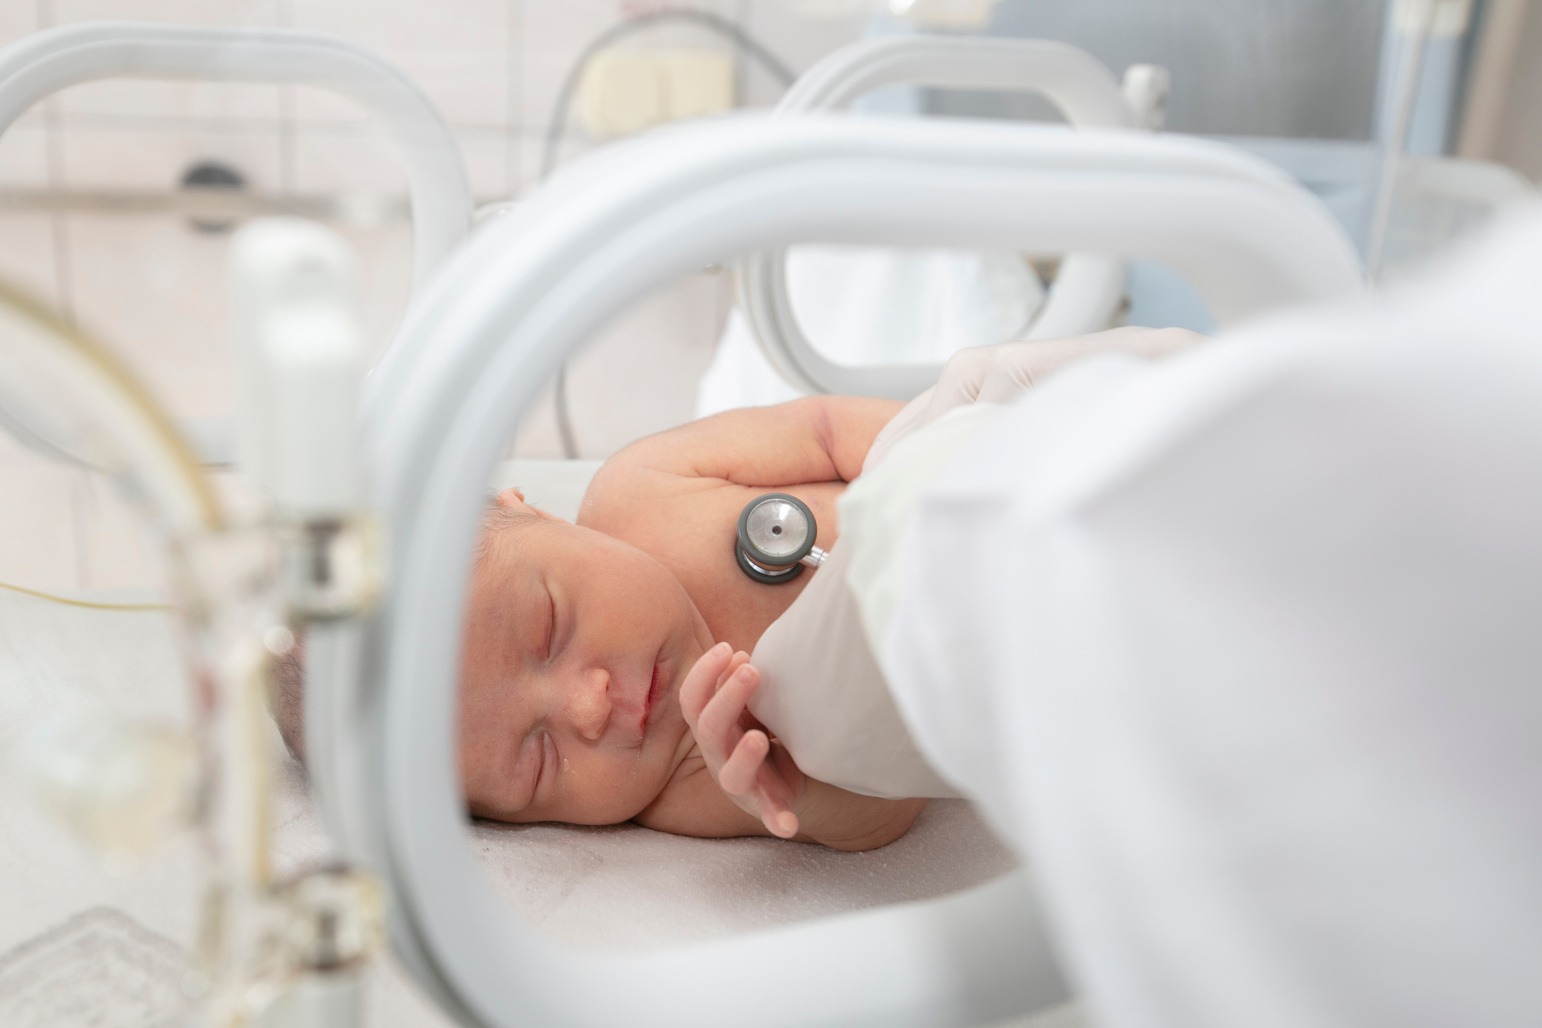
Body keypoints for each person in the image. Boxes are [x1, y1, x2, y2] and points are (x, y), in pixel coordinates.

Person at [273, 327, 1198, 851]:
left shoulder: (638, 489)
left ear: (530, 510)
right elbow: (892, 806)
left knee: (1121, 410)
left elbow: (831, 430)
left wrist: (939, 450)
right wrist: (805, 783)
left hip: (999, 482)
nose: (592, 705)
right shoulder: (691, 780)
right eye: (539, 758)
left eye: (549, 625)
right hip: (1037, 671)